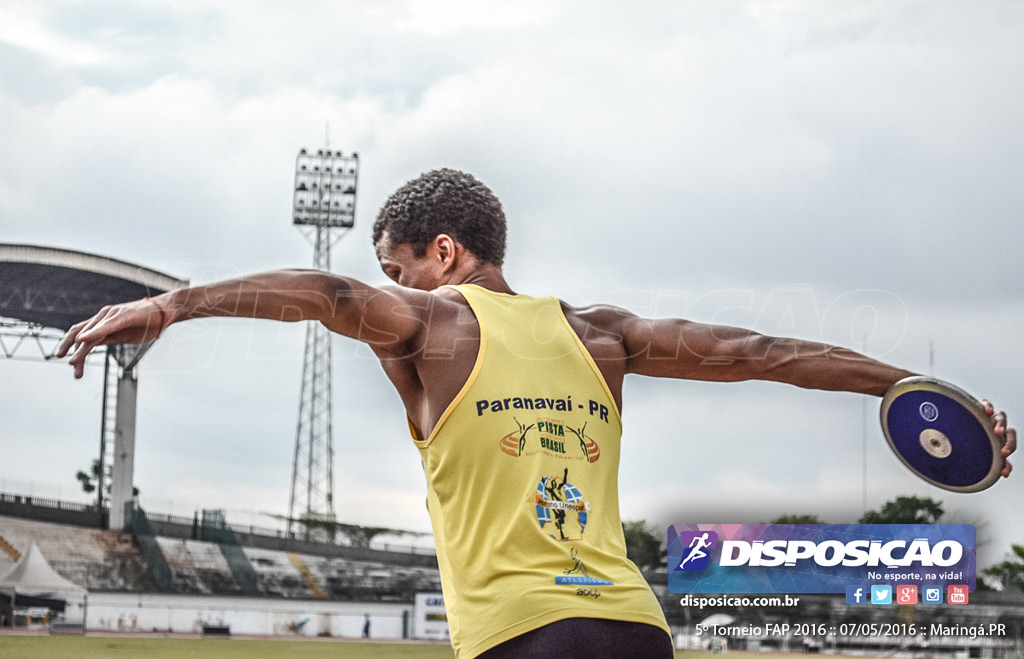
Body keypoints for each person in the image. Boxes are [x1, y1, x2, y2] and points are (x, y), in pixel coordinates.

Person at [58, 168, 1016, 659]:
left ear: (442, 253)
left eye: (397, 266)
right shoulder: (605, 335)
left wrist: (174, 303)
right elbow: (764, 354)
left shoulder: (431, 327)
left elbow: (323, 291)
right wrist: (916, 391)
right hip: (636, 628)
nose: (391, 285)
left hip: (526, 635)